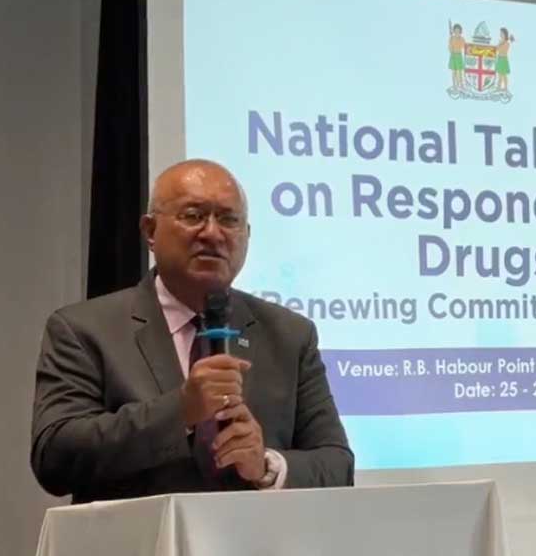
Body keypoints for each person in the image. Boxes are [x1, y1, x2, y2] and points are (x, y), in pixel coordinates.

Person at [31, 159, 353, 503]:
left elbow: (337, 466)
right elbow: (54, 457)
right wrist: (181, 410)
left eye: (228, 220)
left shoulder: (290, 335)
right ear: (150, 231)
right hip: (141, 538)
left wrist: (265, 466)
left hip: (255, 538)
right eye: (193, 215)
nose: (212, 233)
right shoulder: (85, 330)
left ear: (247, 235)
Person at [496, 28, 514, 92]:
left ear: (505, 34)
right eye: (500, 33)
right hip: (499, 59)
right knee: (499, 75)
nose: (500, 34)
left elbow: (502, 50)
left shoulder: (507, 43)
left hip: (503, 59)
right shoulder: (501, 42)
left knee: (504, 75)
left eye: (502, 33)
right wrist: (500, 43)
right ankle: (498, 87)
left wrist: (501, 43)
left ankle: (505, 88)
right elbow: (497, 49)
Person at [448, 23, 466, 90]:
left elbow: (463, 46)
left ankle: (461, 84)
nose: (457, 32)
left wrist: (458, 40)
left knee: (460, 71)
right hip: (453, 56)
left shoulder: (462, 39)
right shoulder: (451, 38)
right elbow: (449, 47)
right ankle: (454, 85)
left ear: (460, 32)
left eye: (458, 31)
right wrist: (451, 49)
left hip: (459, 56)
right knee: (454, 72)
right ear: (453, 31)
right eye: (455, 31)